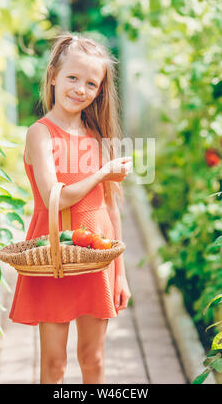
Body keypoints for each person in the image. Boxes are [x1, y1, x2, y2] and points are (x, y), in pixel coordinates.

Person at [9, 32, 133, 384]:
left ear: (100, 91)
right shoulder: (40, 133)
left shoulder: (96, 135)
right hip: (56, 255)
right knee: (54, 365)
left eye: (91, 83)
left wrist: (119, 273)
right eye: (72, 78)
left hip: (96, 255)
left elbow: (111, 208)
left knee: (93, 360)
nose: (80, 89)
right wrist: (102, 173)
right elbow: (55, 196)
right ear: (53, 77)